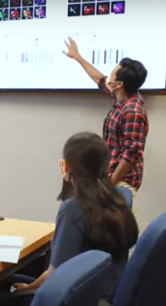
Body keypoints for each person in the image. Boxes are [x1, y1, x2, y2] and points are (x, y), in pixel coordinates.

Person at [0, 132, 138, 306]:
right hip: (103, 292)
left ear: (65, 166)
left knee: (0, 299)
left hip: (79, 302)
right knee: (17, 273)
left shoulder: (74, 209)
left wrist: (27, 288)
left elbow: (55, 274)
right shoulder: (118, 198)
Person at [64, 38, 149, 217]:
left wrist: (111, 183)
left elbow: (131, 153)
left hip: (122, 182)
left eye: (112, 74)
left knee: (119, 230)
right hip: (110, 177)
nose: (108, 77)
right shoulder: (122, 98)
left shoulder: (132, 110)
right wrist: (77, 57)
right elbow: (99, 78)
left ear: (119, 84)